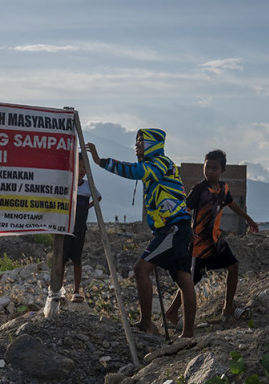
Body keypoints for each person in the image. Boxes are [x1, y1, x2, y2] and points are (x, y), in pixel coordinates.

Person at [87, 128, 196, 337]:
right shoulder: (156, 165)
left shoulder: (160, 163)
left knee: (141, 269)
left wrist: (102, 161)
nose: (137, 145)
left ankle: (147, 324)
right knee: (183, 279)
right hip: (174, 228)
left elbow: (136, 171)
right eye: (136, 141)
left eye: (141, 141)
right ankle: (187, 335)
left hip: (173, 229)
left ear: (154, 144)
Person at [164, 149, 259, 324]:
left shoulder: (223, 189)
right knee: (192, 280)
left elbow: (232, 205)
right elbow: (186, 210)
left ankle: (228, 307)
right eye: (207, 167)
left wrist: (249, 219)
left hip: (215, 241)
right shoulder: (200, 189)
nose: (209, 171)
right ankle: (171, 312)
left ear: (222, 170)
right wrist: (186, 231)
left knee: (234, 266)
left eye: (214, 168)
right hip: (198, 242)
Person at [61, 157, 101, 302]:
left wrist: (86, 208)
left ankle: (77, 291)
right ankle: (59, 290)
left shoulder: (87, 186)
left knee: (77, 260)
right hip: (65, 228)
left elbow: (98, 197)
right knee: (62, 260)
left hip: (80, 228)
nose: (82, 171)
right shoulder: (68, 185)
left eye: (85, 168)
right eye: (80, 167)